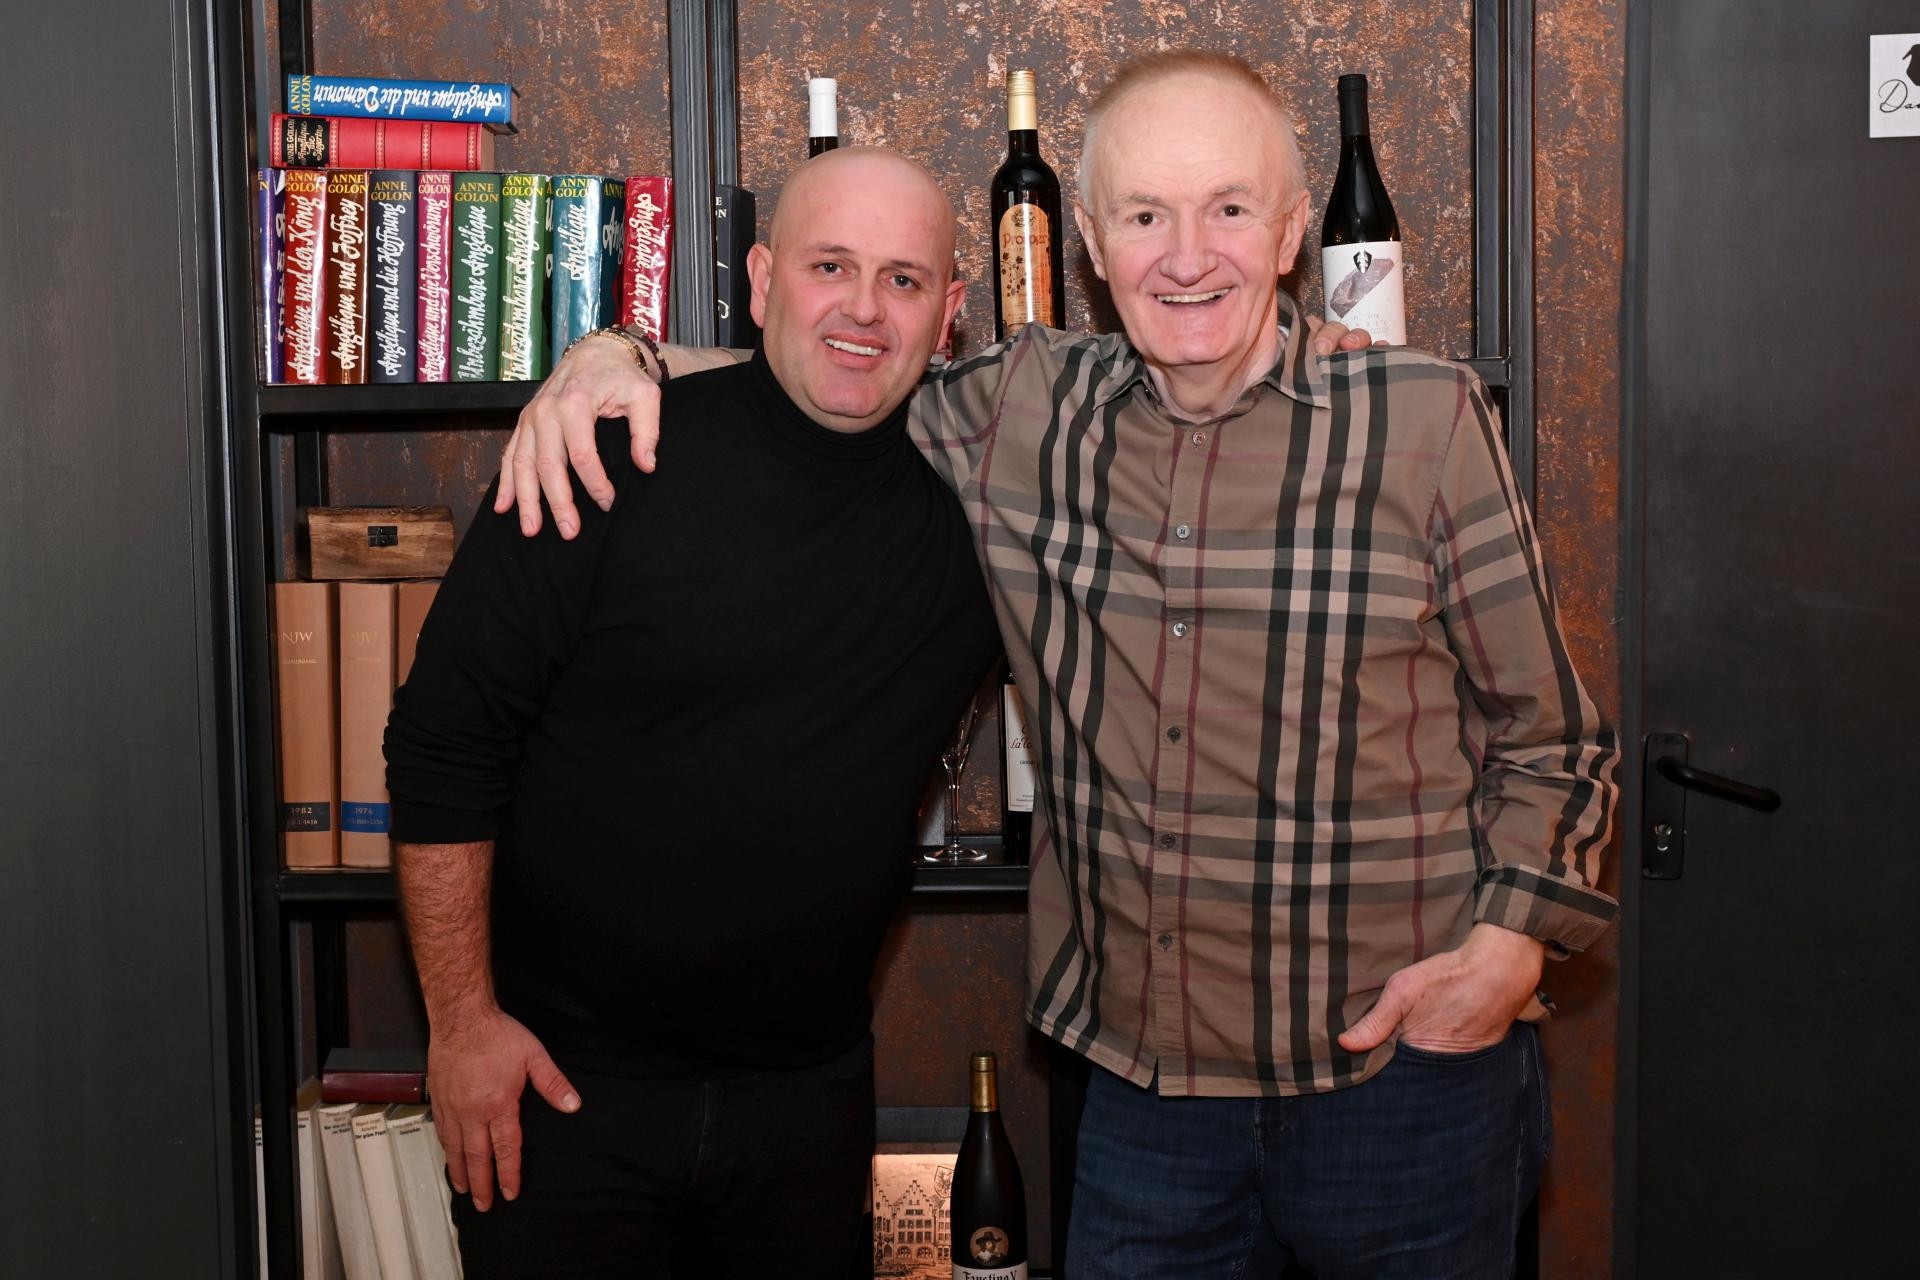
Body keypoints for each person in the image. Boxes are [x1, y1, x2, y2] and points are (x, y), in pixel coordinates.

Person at [500, 51, 1618, 1279]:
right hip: (1145, 1105)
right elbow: (832, 367)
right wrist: (616, 356)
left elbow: (1552, 739)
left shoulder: (1426, 418)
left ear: (1293, 229)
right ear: (1090, 240)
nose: (1185, 256)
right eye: (1144, 216)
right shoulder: (1027, 408)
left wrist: (1509, 949)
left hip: (1402, 1083)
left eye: (1228, 209)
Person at [383, 147, 1007, 1278]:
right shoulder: (603, 455)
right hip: (560, 1094)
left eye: (905, 279)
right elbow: (441, 746)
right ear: (763, 283)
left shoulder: (978, 524)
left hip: (807, 1107)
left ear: (949, 310)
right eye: (830, 266)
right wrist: (462, 1024)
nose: (865, 308)